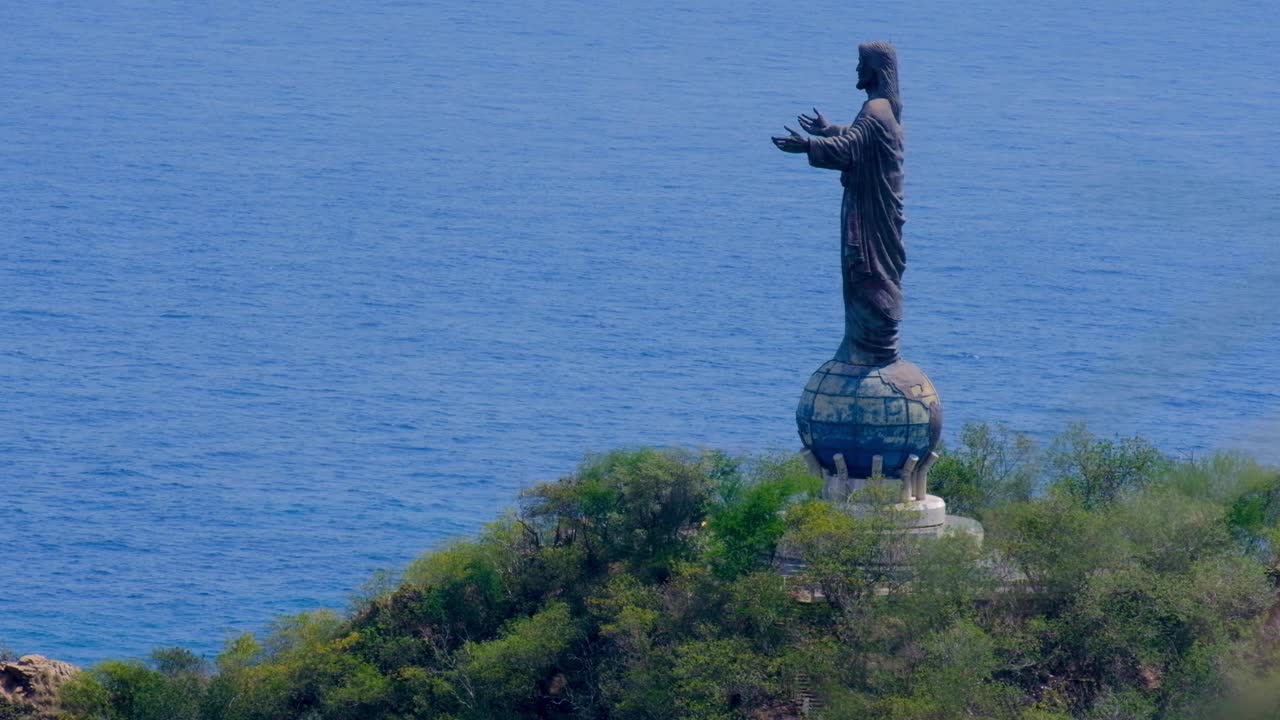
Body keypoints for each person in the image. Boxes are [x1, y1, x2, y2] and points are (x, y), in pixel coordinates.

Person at [773, 41, 906, 366]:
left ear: (876, 69)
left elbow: (850, 148)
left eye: (862, 63)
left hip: (870, 212)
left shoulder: (876, 109)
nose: (857, 69)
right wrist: (829, 130)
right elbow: (860, 138)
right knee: (869, 275)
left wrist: (808, 145)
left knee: (868, 273)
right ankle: (867, 344)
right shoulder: (883, 109)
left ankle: (872, 349)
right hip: (873, 206)